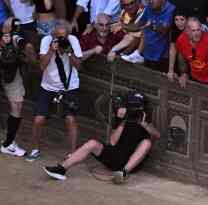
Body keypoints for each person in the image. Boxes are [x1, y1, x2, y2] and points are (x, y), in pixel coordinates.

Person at [43, 90, 159, 183]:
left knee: (147, 143)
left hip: (130, 162)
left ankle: (123, 173)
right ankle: (61, 169)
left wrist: (145, 125)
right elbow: (112, 142)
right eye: (133, 106)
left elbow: (157, 135)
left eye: (138, 106)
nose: (135, 109)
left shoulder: (145, 117)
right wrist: (123, 121)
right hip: (114, 156)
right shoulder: (121, 118)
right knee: (92, 143)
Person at [27, 21, 83, 163]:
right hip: (48, 86)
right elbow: (42, 66)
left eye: (64, 36)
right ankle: (34, 149)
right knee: (38, 119)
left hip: (69, 86)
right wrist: (52, 50)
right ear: (52, 35)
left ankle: (72, 154)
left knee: (71, 119)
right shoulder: (46, 40)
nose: (62, 39)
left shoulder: (73, 41)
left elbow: (79, 66)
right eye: (59, 37)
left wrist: (69, 52)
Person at [176, 18, 208, 95]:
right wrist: (184, 73)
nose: (197, 33)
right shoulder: (181, 40)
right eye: (193, 31)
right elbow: (181, 55)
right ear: (187, 31)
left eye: (198, 30)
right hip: (194, 77)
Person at [0, 17, 28, 157]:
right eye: (10, 28)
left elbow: (16, 57)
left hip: (10, 73)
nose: (13, 31)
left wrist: (12, 47)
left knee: (17, 105)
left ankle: (8, 143)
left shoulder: (16, 39)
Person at [123, 0, 175, 71]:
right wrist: (122, 26)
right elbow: (138, 25)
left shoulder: (171, 9)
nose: (150, 1)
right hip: (146, 53)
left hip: (162, 57)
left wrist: (151, 25)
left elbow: (165, 29)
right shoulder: (148, 8)